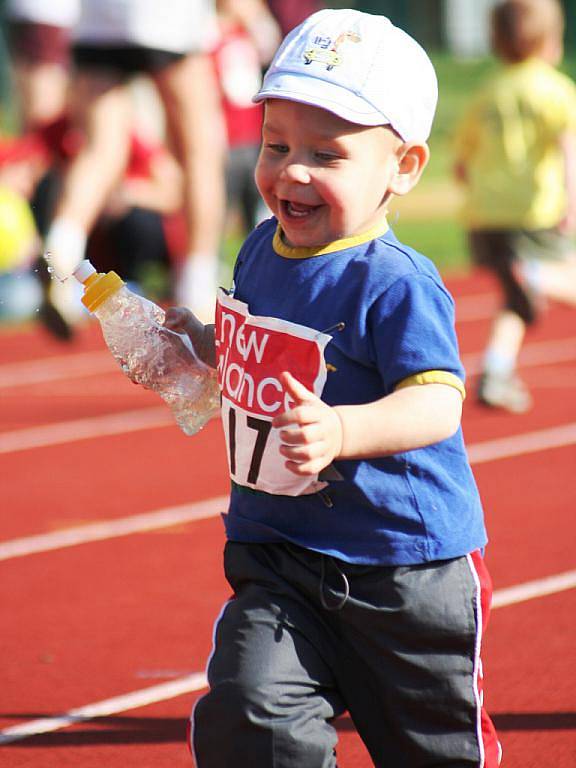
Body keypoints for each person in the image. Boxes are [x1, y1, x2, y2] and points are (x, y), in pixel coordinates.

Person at [163, 9, 502, 766]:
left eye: (328, 153)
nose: (292, 171)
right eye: (276, 144)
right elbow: (264, 354)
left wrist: (345, 432)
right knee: (253, 712)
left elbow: (437, 400)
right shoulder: (259, 249)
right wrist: (201, 343)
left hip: (403, 570)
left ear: (403, 167)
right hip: (279, 556)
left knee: (433, 752)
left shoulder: (395, 285)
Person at [41, 0, 226, 331]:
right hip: (169, 18)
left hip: (102, 18)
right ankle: (196, 287)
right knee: (200, 151)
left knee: (99, 150)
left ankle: (60, 261)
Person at [453, 0, 576, 413]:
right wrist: (572, 202)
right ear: (551, 41)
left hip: (486, 217)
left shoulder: (488, 91)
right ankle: (537, 275)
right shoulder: (554, 89)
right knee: (557, 280)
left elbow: (461, 162)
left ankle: (496, 372)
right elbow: (568, 149)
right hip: (534, 213)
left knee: (515, 298)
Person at [212, 0, 280, 238]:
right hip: (226, 138)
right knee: (223, 202)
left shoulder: (247, 34)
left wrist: (254, 16)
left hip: (252, 134)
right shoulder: (211, 36)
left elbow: (269, 41)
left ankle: (262, 245)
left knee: (257, 200)